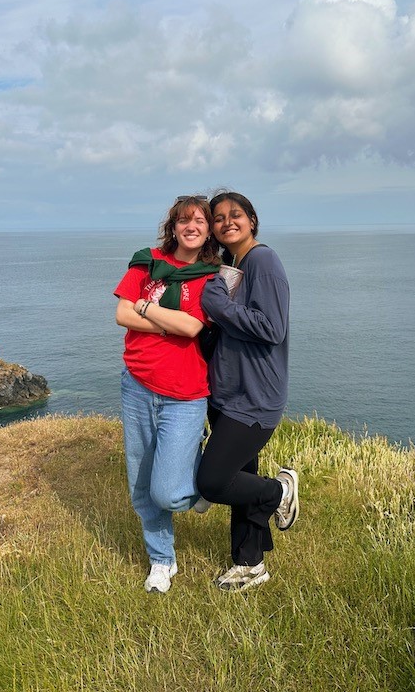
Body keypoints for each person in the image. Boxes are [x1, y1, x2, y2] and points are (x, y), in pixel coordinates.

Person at [114, 196, 220, 593]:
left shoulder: (212, 277)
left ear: (208, 230)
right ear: (172, 227)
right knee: (141, 484)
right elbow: (121, 314)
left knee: (168, 493)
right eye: (183, 220)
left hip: (186, 393)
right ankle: (161, 559)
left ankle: (205, 483)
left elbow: (193, 329)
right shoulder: (147, 261)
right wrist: (163, 321)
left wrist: (145, 307)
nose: (191, 226)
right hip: (137, 385)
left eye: (199, 221)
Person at [196, 191, 299, 591]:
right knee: (242, 480)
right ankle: (250, 564)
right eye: (218, 218)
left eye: (234, 215)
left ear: (252, 220)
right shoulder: (231, 265)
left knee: (213, 481)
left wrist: (217, 304)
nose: (226, 222)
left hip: (255, 398)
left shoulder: (263, 261)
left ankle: (279, 490)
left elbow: (272, 328)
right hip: (227, 393)